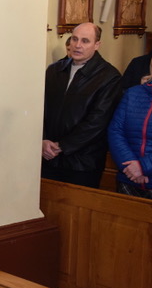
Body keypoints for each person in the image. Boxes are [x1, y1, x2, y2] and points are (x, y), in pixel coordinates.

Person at [42, 22, 122, 188]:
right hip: (47, 155)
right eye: (74, 39)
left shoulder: (109, 76)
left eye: (85, 41)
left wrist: (63, 146)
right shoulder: (54, 70)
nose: (77, 45)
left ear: (97, 45)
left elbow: (98, 121)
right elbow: (40, 108)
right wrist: (42, 140)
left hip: (82, 163)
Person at [108, 49, 152, 201]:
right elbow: (115, 131)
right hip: (128, 177)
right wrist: (131, 167)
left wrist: (143, 167)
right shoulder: (133, 93)